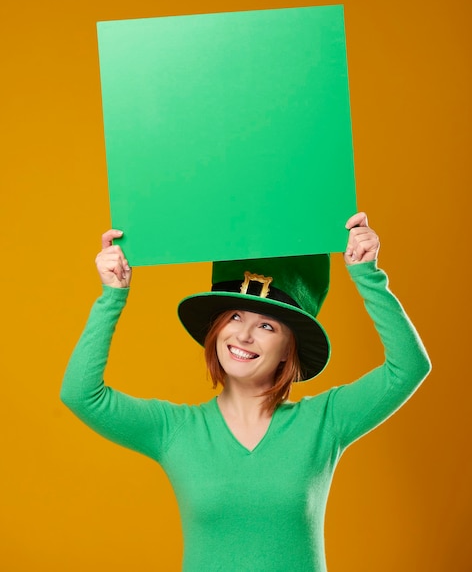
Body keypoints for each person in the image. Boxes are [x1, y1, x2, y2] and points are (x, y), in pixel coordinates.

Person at [60, 212, 431, 571]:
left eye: (267, 325)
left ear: (289, 348)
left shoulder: (324, 423)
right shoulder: (176, 430)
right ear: (216, 329)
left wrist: (368, 275)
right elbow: (80, 394)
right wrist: (112, 297)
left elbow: (409, 367)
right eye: (235, 317)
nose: (244, 335)